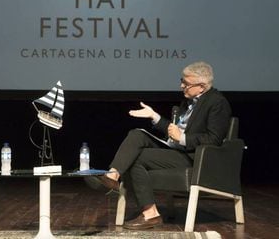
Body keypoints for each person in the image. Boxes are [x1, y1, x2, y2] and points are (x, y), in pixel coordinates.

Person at [90, 61, 231, 230]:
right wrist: (154, 116)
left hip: (194, 157)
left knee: (137, 158)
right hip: (175, 149)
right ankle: (112, 176)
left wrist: (184, 138)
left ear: (201, 87)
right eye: (182, 81)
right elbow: (173, 131)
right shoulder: (189, 101)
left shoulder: (217, 103)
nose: (181, 86)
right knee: (136, 134)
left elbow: (214, 139)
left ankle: (151, 215)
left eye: (186, 84)